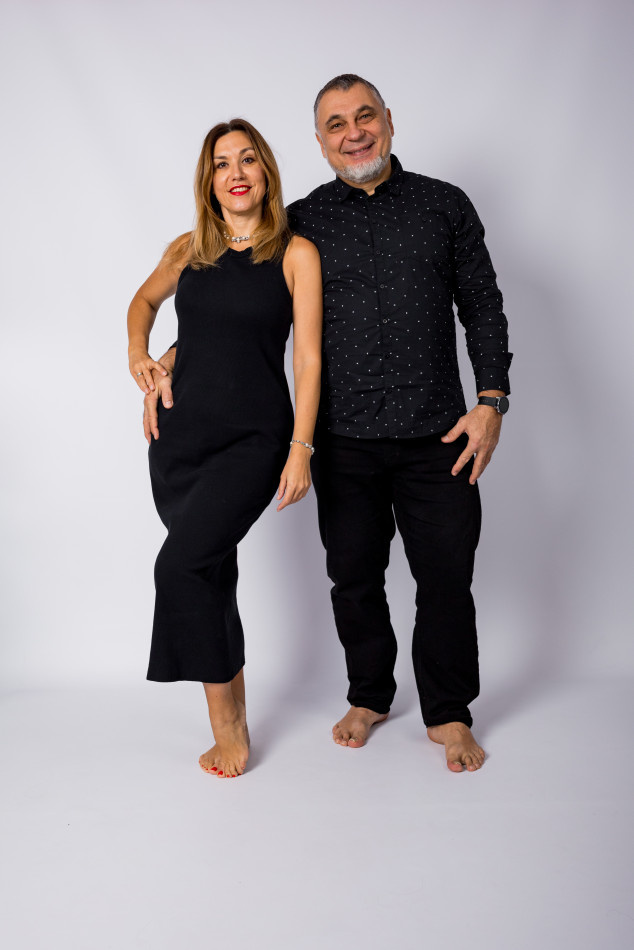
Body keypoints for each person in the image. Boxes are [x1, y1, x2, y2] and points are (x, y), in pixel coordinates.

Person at [144, 75, 512, 773]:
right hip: (343, 438)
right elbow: (234, 304)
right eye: (336, 124)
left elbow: (483, 305)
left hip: (439, 431)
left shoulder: (444, 205)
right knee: (353, 578)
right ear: (319, 142)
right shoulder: (300, 224)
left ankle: (449, 713)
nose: (354, 133)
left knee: (445, 578)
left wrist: (491, 400)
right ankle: (369, 696)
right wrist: (166, 362)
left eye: (364, 117)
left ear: (389, 121)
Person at [127, 119, 322, 779]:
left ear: (266, 171)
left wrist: (301, 448)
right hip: (179, 440)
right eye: (221, 163)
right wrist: (143, 358)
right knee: (209, 572)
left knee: (180, 568)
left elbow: (309, 359)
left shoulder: (295, 253)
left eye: (247, 159)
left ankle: (229, 729)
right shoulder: (189, 249)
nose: (235, 173)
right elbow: (143, 302)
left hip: (253, 440)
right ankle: (232, 713)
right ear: (208, 181)